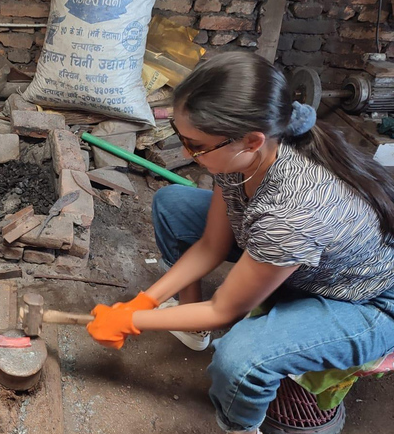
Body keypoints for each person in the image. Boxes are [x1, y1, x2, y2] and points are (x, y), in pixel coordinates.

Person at [86, 52, 394, 434]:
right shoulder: (244, 157)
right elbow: (211, 246)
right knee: (172, 205)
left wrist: (131, 320)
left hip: (366, 300)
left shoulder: (293, 208)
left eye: (196, 146)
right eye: (183, 139)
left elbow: (223, 310)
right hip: (301, 257)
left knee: (241, 359)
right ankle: (188, 322)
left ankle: (241, 426)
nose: (186, 154)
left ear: (252, 140)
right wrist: (145, 301)